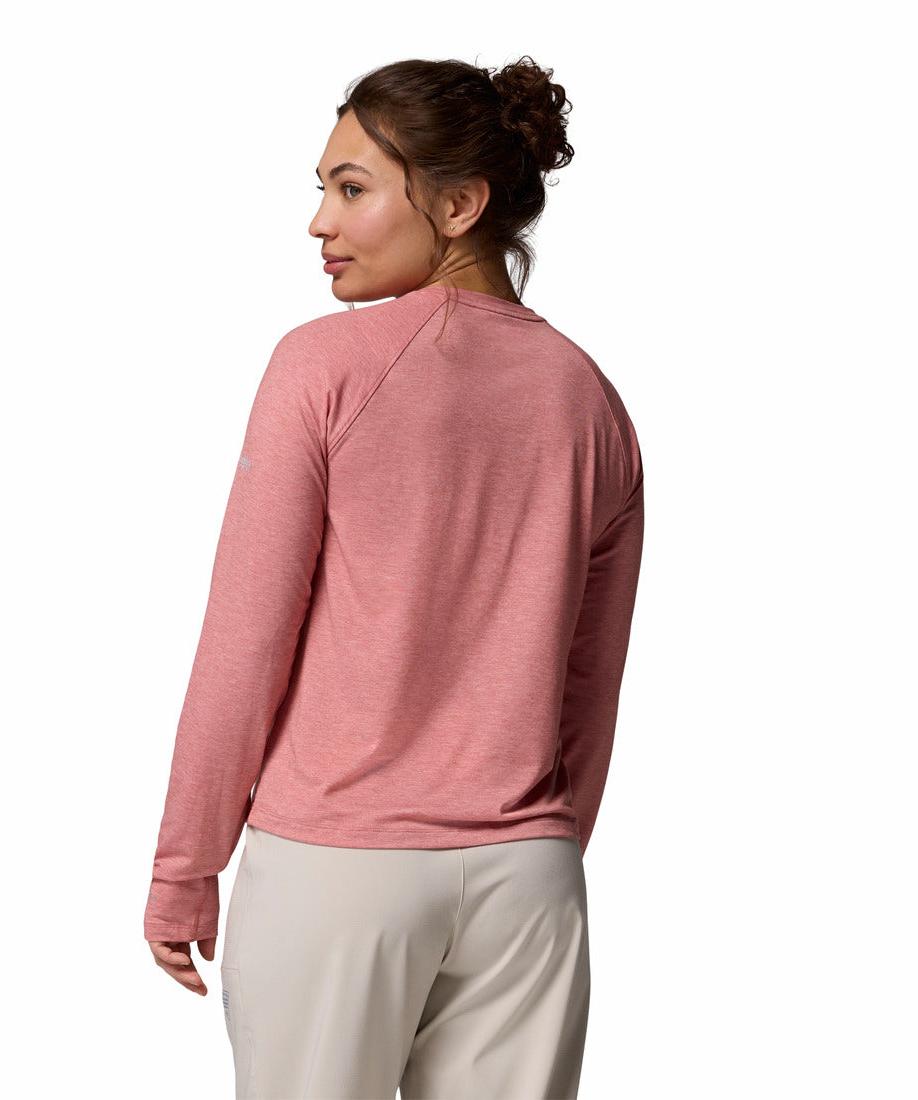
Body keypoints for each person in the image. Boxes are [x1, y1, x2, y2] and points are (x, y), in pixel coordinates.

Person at [145, 56, 644, 1100]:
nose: (319, 222)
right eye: (323, 188)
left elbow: (248, 638)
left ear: (460, 206)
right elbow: (588, 687)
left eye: (353, 188)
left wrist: (186, 863)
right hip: (529, 882)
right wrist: (541, 846)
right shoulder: (594, 402)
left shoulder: (323, 365)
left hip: (339, 868)